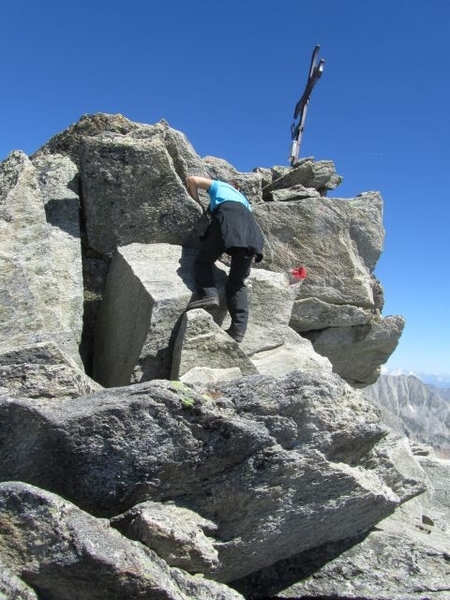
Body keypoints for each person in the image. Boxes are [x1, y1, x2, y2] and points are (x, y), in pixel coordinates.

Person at [185, 175, 264, 343]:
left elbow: (192, 179)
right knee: (237, 282)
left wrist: (196, 202)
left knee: (203, 261)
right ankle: (238, 330)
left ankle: (209, 295)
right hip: (250, 230)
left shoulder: (220, 186)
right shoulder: (244, 200)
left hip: (227, 218)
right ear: (239, 190)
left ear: (230, 186)